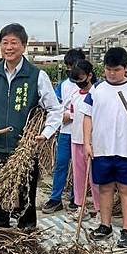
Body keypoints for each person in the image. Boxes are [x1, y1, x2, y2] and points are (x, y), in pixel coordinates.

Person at [0, 23, 62, 229]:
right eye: (5, 43)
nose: (9, 47)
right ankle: (0, 230)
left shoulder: (37, 76)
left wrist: (46, 133)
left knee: (26, 192)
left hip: (24, 147)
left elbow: (55, 109)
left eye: (14, 43)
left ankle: (27, 230)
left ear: (24, 46)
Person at [81, 48, 127, 246]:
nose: (111, 74)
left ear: (126, 68)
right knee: (104, 188)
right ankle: (105, 225)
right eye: (108, 70)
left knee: (126, 188)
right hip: (102, 149)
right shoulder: (97, 89)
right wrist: (87, 143)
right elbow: (87, 116)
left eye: (116, 70)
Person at [42, 48, 85, 213]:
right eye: (67, 66)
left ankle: (77, 198)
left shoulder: (92, 85)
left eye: (72, 65)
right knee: (61, 165)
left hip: (82, 133)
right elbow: (55, 106)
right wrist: (62, 116)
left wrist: (72, 114)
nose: (69, 69)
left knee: (79, 167)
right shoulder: (63, 85)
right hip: (65, 132)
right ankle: (55, 198)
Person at [68, 60, 100, 222]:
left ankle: (100, 209)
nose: (79, 84)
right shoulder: (74, 95)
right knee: (79, 176)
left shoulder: (97, 94)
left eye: (81, 79)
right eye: (76, 81)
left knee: (95, 177)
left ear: (89, 76)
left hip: (94, 143)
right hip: (76, 140)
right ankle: (81, 207)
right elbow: (72, 115)